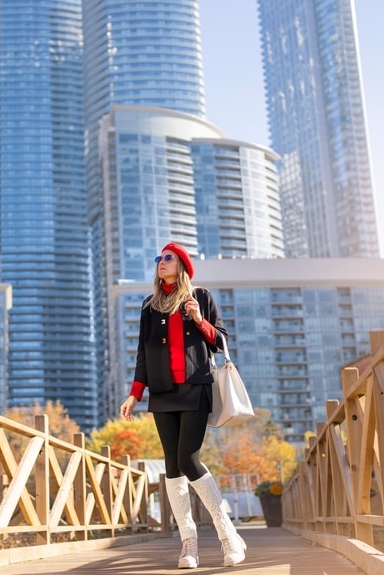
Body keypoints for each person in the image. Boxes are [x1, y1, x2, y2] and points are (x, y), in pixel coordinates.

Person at [120, 242, 246, 568]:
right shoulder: (150, 306)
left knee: (188, 459)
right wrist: (135, 393)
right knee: (172, 467)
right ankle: (188, 543)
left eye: (167, 258)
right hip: (162, 394)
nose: (160, 262)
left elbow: (220, 342)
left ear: (182, 265)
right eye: (158, 258)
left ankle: (227, 533)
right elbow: (143, 356)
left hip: (196, 388)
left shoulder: (200, 296)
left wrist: (200, 320)